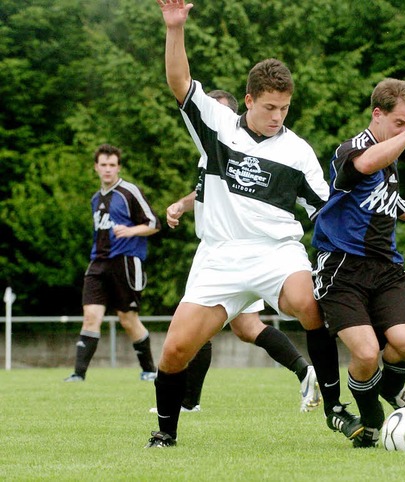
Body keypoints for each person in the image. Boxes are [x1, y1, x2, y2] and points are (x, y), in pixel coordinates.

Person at [148, 0, 350, 448]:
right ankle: (165, 434)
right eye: (271, 107)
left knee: (309, 303)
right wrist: (175, 28)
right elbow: (179, 82)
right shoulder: (218, 127)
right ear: (249, 100)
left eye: (285, 108)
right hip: (219, 255)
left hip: (276, 252)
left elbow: (329, 208)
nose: (278, 116)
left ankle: (335, 407)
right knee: (175, 350)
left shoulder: (298, 151)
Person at [153, 89, 321, 414]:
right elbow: (202, 190)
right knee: (245, 328)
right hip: (222, 251)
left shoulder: (244, 146)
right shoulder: (209, 154)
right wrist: (182, 205)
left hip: (240, 252)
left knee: (200, 328)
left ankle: (188, 402)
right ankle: (304, 370)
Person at [312, 78, 405, 448]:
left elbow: (384, 196)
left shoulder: (390, 158)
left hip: (385, 266)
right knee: (367, 352)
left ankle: (391, 389)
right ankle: (371, 419)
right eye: (400, 123)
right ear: (378, 114)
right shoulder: (352, 149)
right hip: (342, 267)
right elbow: (366, 165)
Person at [64, 144, 161, 382]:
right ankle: (78, 375)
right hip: (98, 264)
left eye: (112, 165)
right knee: (91, 317)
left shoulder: (129, 192)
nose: (108, 169)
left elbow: (154, 224)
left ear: (118, 167)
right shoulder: (95, 198)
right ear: (96, 167)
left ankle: (149, 370)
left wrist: (129, 231)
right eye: (103, 165)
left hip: (125, 263)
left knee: (128, 320)